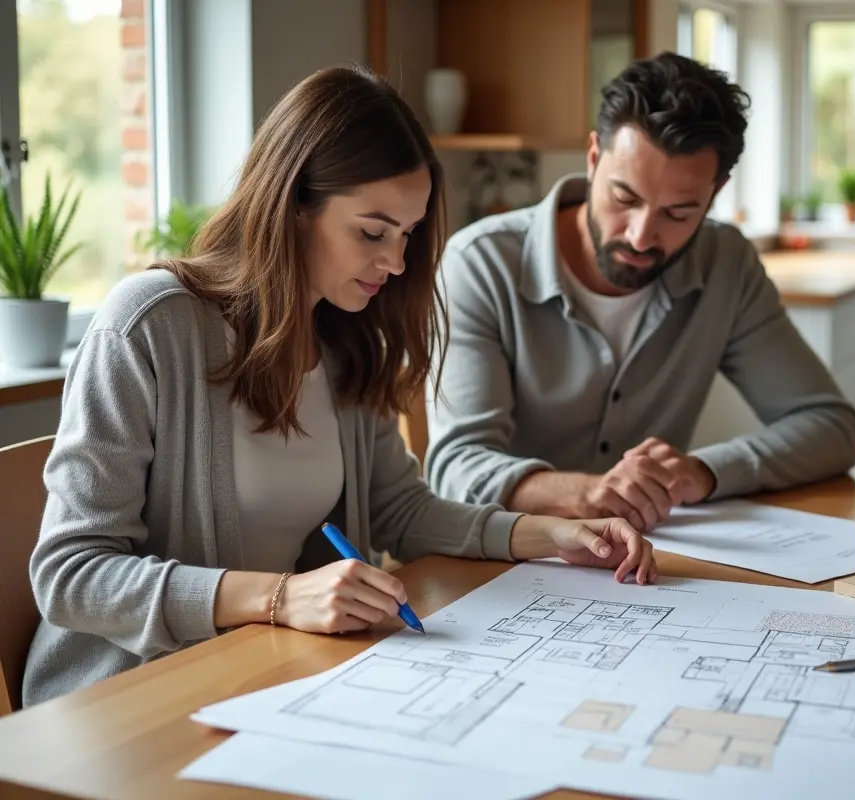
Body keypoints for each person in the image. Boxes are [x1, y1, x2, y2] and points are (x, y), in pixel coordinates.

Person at [23, 65, 656, 709]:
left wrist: (554, 536)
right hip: (125, 698)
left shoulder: (345, 340)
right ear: (294, 204)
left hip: (257, 677)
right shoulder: (149, 326)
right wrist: (278, 596)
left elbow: (399, 511)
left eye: (407, 234)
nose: (396, 262)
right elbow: (70, 575)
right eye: (372, 232)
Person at [423, 52, 855, 532]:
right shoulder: (480, 264)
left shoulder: (726, 264)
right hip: (504, 558)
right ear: (594, 158)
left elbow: (830, 426)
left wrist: (704, 471)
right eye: (624, 198)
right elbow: (456, 468)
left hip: (650, 559)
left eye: (678, 213)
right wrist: (587, 495)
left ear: (716, 192)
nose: (640, 236)